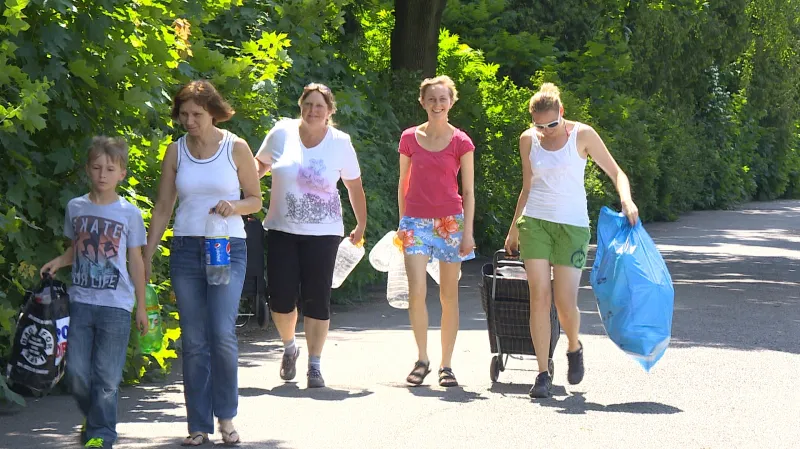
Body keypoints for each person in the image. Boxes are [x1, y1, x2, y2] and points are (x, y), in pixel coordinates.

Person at [144, 80, 262, 446]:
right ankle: (198, 425)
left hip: (227, 246)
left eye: (196, 113)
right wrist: (146, 255)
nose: (189, 120)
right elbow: (164, 208)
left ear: (213, 112)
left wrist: (235, 206)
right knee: (194, 340)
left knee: (221, 333)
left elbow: (256, 200)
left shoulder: (236, 147)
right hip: (185, 250)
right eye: (183, 114)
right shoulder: (175, 152)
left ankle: (226, 417)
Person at [504, 83, 639, 398]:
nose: (546, 131)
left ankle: (574, 345)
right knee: (539, 293)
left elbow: (617, 173)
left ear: (561, 113)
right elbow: (527, 186)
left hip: (572, 227)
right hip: (535, 222)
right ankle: (541, 374)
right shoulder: (528, 140)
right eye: (539, 126)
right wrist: (513, 228)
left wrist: (627, 200)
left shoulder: (583, 135)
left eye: (552, 124)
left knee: (564, 302)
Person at [254, 83, 367, 389]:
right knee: (280, 297)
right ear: (300, 106)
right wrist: (243, 182)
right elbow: (261, 164)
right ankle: (290, 346)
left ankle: (314, 366)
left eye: (320, 106)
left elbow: (353, 185)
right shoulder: (281, 133)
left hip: (324, 232)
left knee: (318, 299)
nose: (313, 110)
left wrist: (361, 223)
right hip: (281, 228)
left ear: (330, 111)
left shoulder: (340, 143)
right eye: (308, 104)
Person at [40, 136, 148, 449]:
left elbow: (136, 262)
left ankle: (101, 436)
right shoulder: (76, 207)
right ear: (88, 169)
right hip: (80, 302)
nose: (103, 174)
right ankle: (96, 418)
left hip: (116, 305)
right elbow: (76, 249)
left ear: (121, 173)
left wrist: (141, 307)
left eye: (110, 168)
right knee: (75, 374)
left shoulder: (129, 214)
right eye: (97, 167)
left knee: (107, 378)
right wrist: (58, 262)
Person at [397, 75, 476, 388]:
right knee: (416, 291)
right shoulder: (408, 139)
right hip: (415, 223)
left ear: (452, 102)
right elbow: (402, 184)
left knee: (448, 295)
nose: (437, 104)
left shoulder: (461, 142)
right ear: (422, 102)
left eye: (443, 99)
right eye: (431, 99)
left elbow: (468, 192)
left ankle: (447, 365)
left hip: (450, 224)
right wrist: (403, 223)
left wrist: (468, 232)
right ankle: (422, 359)